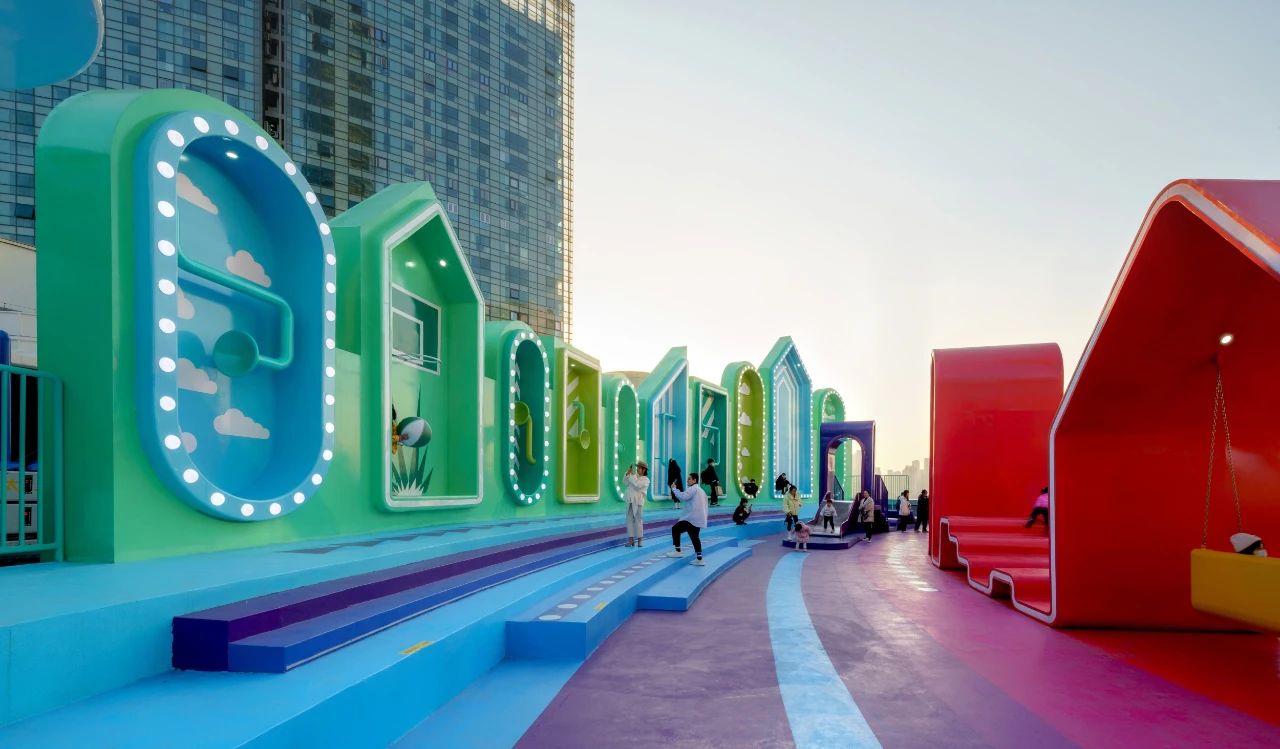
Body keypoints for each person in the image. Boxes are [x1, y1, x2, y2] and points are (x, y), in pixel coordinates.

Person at [669, 473, 710, 565]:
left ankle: (678, 551)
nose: (687, 480)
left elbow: (683, 496)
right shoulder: (701, 491)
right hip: (699, 518)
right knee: (695, 538)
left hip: (691, 518)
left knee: (675, 529)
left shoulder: (692, 489)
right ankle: (700, 559)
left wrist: (674, 489)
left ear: (694, 480)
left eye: (689, 479)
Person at [623, 462, 649, 547]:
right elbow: (625, 483)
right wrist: (627, 474)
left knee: (638, 520)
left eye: (639, 468)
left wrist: (630, 477)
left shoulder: (646, 480)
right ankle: (631, 541)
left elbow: (637, 486)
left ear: (644, 470)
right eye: (637, 467)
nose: (637, 469)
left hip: (638, 501)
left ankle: (640, 540)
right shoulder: (633, 476)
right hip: (629, 500)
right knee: (629, 520)